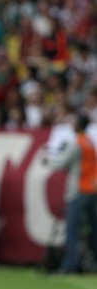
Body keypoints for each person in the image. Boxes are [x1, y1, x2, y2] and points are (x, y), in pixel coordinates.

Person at [44, 113, 97, 273]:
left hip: (78, 190)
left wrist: (47, 159)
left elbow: (61, 163)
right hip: (92, 189)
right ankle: (93, 263)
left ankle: (69, 265)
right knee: (93, 229)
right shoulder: (89, 142)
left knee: (72, 229)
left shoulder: (76, 143)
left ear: (77, 125)